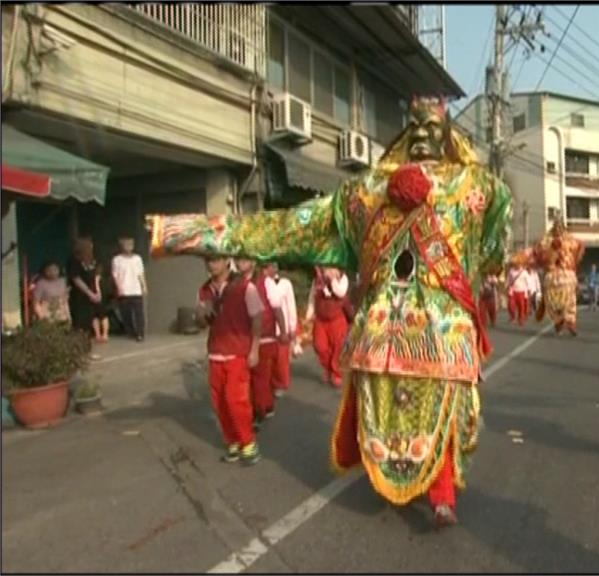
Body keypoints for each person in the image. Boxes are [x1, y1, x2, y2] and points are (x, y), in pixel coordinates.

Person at [146, 96, 512, 527]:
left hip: (382, 334)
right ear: (447, 134)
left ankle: (409, 483)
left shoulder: (362, 192)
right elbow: (492, 251)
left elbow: (282, 230)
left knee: (391, 409)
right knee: (440, 411)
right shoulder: (480, 186)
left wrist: (178, 232)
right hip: (443, 332)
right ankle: (441, 495)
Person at [197, 255, 263, 465]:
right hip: (215, 352)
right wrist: (202, 314)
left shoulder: (244, 287)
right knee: (219, 403)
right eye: (208, 261)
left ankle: (249, 443)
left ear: (227, 261)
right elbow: (202, 323)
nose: (211, 264)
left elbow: (257, 318)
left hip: (237, 353)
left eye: (216, 260)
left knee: (236, 400)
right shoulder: (205, 290)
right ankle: (232, 441)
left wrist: (254, 350)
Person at [240, 259, 287, 424]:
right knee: (252, 378)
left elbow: (277, 308)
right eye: (238, 259)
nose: (240, 262)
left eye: (243, 259)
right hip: (244, 339)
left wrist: (284, 331)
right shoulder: (236, 283)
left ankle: (259, 409)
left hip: (265, 338)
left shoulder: (266, 283)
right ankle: (266, 406)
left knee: (260, 376)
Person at [532, 219, 585, 336]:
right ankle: (559, 323)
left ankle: (570, 323)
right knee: (554, 303)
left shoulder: (570, 240)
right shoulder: (546, 241)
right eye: (556, 227)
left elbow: (580, 246)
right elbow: (538, 251)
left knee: (570, 301)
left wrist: (574, 260)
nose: (558, 229)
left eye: (560, 227)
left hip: (567, 275)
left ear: (564, 228)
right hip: (553, 277)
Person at [304, 266, 352, 388]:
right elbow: (312, 297)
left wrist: (332, 279)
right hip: (321, 319)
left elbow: (340, 292)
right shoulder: (317, 280)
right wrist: (309, 313)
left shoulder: (342, 278)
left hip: (337, 318)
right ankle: (327, 368)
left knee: (338, 347)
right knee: (319, 346)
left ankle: (336, 373)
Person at [264, 262, 298, 398]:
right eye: (265, 267)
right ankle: (269, 383)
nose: (267, 270)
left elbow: (291, 304)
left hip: (281, 328)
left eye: (270, 266)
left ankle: (281, 383)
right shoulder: (262, 283)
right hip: (267, 329)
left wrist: (292, 327)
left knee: (281, 359)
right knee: (268, 360)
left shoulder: (285, 283)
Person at [68, 237, 109, 343]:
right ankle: (86, 336)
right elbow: (76, 279)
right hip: (81, 294)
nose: (91, 248)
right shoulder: (74, 261)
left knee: (100, 313)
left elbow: (98, 276)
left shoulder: (96, 258)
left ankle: (102, 334)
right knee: (83, 315)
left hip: (96, 290)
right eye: (88, 246)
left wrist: (97, 292)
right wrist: (89, 294)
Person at [111, 234, 148, 342]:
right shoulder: (117, 260)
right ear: (122, 246)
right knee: (126, 313)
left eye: (131, 244)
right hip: (124, 290)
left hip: (136, 290)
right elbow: (115, 275)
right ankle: (131, 331)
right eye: (127, 244)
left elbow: (141, 273)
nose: (129, 246)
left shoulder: (137, 259)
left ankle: (140, 333)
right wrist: (119, 288)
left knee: (139, 313)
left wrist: (144, 286)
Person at [506, 258, 531, 326]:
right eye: (515, 264)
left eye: (518, 264)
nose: (517, 265)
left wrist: (529, 289)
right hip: (513, 291)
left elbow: (528, 281)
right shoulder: (511, 271)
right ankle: (513, 316)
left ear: (520, 264)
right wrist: (507, 286)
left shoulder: (524, 272)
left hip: (521, 291)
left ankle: (521, 319)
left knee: (521, 306)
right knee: (511, 305)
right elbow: (508, 279)